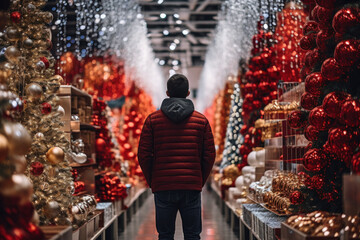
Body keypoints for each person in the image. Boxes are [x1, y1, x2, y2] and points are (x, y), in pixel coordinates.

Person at [138, 74, 215, 240]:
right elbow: (209, 155)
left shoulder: (152, 120)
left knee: (165, 235)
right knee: (193, 235)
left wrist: (154, 180)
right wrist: (198, 179)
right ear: (188, 93)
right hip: (191, 187)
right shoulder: (201, 121)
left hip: (163, 186)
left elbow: (144, 155)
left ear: (167, 92)